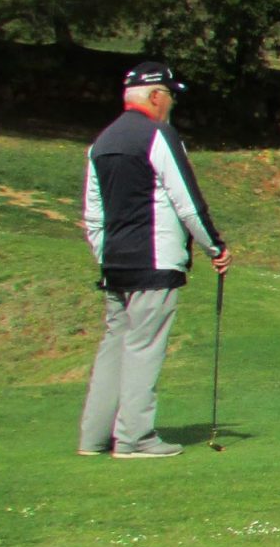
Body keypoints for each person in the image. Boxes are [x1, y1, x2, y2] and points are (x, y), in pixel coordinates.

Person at [78, 62, 229, 458]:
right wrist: (215, 247)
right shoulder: (159, 135)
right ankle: (134, 438)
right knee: (143, 348)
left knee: (115, 347)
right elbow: (187, 202)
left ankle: (94, 438)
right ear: (156, 96)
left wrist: (106, 255)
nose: (172, 103)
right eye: (170, 95)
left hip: (115, 264)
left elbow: (93, 216)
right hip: (154, 262)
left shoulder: (101, 142)